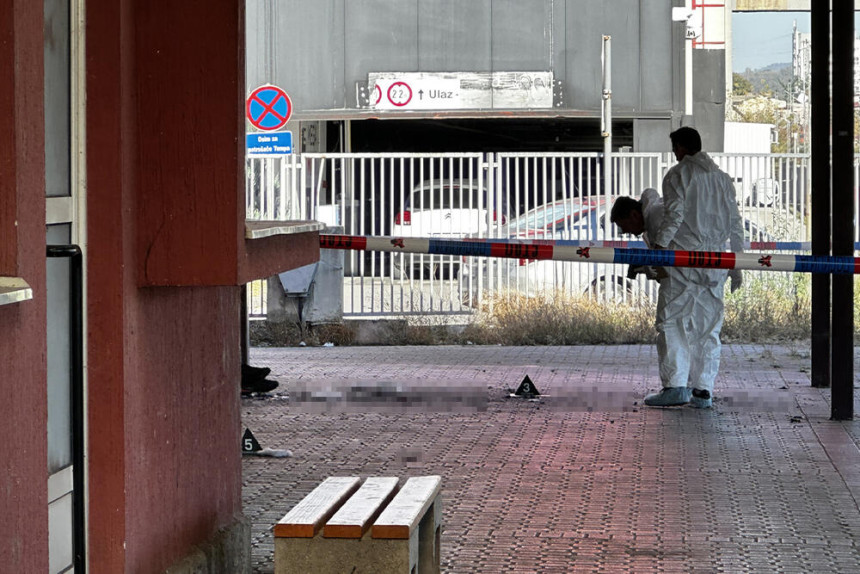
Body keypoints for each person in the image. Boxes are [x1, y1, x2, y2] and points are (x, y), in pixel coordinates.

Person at [611, 126, 744, 409]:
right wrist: (738, 262)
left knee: (672, 322)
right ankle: (703, 390)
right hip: (716, 263)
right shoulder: (723, 179)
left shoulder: (677, 175)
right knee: (708, 327)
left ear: (681, 148)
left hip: (683, 262)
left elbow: (676, 214)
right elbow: (735, 222)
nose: (674, 154)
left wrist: (658, 252)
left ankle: (675, 387)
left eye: (675, 149)